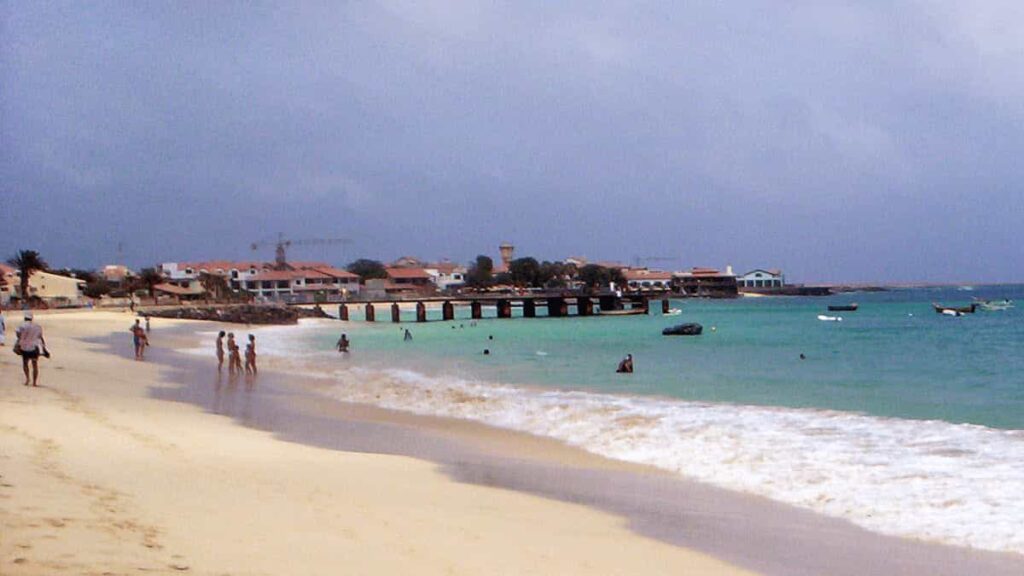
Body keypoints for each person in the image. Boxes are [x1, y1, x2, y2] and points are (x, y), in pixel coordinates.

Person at [16, 312, 47, 386]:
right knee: (35, 364)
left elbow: (18, 334)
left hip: (24, 347)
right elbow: (40, 337)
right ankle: (34, 382)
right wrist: (44, 347)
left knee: (25, 363)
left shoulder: (21, 326)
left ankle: (27, 379)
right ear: (32, 319)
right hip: (34, 347)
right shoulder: (37, 326)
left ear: (25, 318)